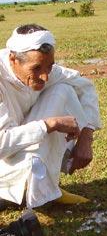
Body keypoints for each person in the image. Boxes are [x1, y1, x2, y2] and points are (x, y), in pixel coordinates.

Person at [0, 24, 101, 209]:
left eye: (50, 66)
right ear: (13, 59)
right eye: (36, 68)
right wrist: (49, 124)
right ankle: (16, 191)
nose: (45, 76)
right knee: (48, 123)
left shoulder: (46, 72)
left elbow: (85, 87)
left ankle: (46, 187)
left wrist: (86, 136)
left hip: (18, 146)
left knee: (64, 89)